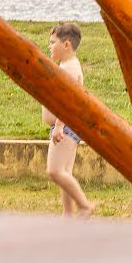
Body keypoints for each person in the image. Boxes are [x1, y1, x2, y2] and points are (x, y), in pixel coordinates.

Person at [40, 22, 94, 218]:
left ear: (66, 44)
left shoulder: (70, 68)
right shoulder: (66, 65)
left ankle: (85, 206)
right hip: (65, 125)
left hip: (66, 126)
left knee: (54, 171)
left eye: (52, 42)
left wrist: (59, 126)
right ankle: (68, 215)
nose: (49, 46)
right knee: (65, 173)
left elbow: (67, 100)